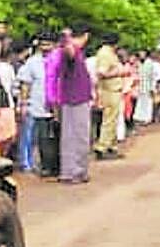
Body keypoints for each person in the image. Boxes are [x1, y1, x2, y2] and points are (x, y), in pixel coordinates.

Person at [46, 24, 93, 184]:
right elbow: (69, 51)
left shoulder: (78, 52)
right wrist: (66, 38)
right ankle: (72, 172)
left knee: (79, 136)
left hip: (79, 97)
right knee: (74, 136)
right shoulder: (68, 50)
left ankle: (78, 170)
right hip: (73, 99)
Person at [17, 32, 58, 176]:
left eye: (49, 44)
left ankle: (49, 165)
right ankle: (26, 164)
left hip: (54, 107)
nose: (46, 47)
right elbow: (25, 84)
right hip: (35, 105)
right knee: (29, 136)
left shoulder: (59, 60)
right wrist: (23, 103)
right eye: (43, 44)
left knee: (48, 139)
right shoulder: (32, 62)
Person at [93, 32, 124, 159]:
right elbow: (101, 73)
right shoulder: (105, 54)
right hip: (109, 90)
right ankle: (102, 146)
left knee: (113, 119)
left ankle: (112, 145)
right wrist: (118, 72)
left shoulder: (109, 53)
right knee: (109, 120)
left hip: (113, 90)